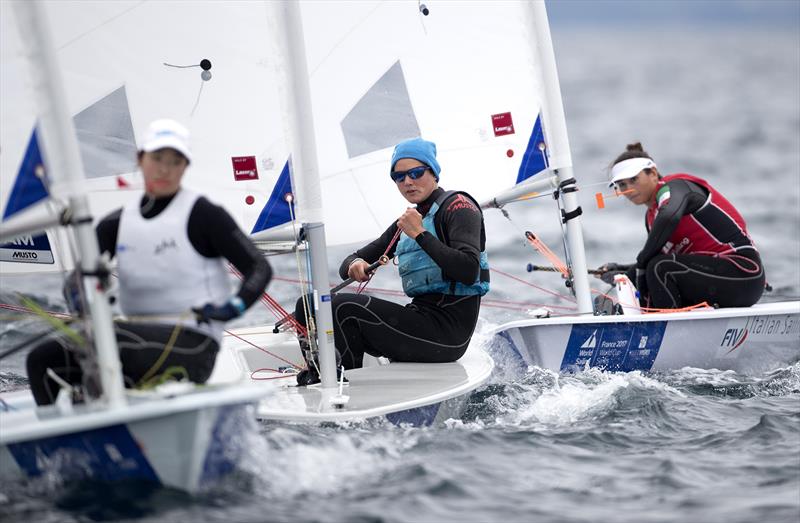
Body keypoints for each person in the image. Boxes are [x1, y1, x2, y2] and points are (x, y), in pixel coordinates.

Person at [26, 119, 272, 405]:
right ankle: (60, 445)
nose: (165, 169)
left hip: (194, 343)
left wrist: (232, 307)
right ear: (140, 160)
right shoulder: (116, 223)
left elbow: (259, 267)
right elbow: (76, 280)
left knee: (112, 345)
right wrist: (83, 298)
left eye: (175, 161)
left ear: (185, 166)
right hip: (130, 339)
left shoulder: (204, 215)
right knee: (41, 360)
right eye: (157, 159)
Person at [294, 137, 489, 385]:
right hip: (420, 318)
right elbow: (351, 261)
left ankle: (343, 387)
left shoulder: (459, 208)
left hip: (448, 335)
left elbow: (468, 270)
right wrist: (355, 265)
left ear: (434, 173)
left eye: (416, 173)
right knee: (308, 305)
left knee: (342, 309)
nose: (408, 182)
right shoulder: (409, 220)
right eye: (399, 177)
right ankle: (324, 378)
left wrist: (420, 234)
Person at [597, 142, 765, 310]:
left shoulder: (676, 187)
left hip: (745, 273)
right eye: (622, 185)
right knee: (648, 271)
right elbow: (650, 262)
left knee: (660, 267)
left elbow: (669, 217)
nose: (629, 189)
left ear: (653, 173)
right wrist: (622, 272)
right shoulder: (651, 217)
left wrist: (640, 263)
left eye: (634, 180)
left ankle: (661, 325)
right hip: (712, 276)